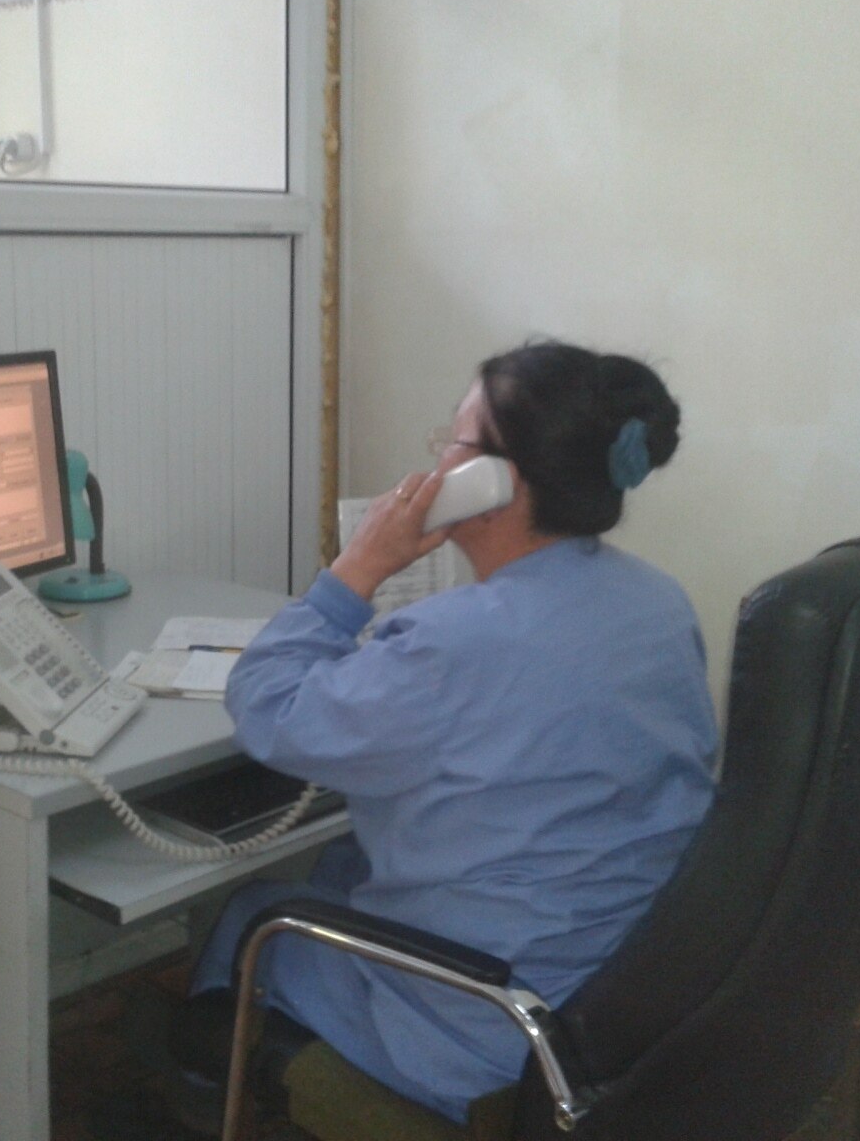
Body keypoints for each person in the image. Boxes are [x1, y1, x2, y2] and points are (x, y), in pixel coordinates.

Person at [176, 339, 720, 1125]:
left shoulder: (455, 644)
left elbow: (266, 707)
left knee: (252, 914)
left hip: (492, 1029)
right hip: (623, 991)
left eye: (454, 444)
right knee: (340, 864)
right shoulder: (656, 603)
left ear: (494, 484)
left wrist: (356, 569)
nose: (436, 464)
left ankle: (212, 1104)